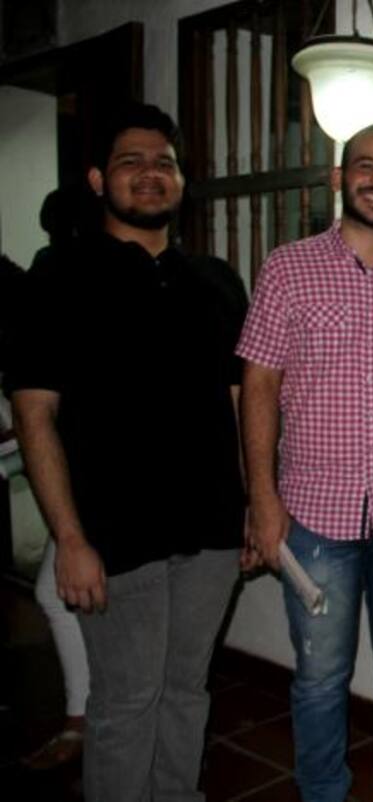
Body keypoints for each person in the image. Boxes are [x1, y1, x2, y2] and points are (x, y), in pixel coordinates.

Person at [6, 102, 248, 802]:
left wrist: (256, 506)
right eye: (130, 161)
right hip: (114, 538)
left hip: (210, 534)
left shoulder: (215, 280)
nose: (150, 174)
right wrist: (70, 540)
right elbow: (34, 416)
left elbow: (241, 405)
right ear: (96, 179)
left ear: (183, 181)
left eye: (164, 162)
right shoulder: (57, 276)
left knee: (186, 691)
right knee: (125, 703)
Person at [238, 123, 373, 802]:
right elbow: (259, 384)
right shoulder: (288, 267)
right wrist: (262, 501)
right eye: (366, 165)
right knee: (321, 676)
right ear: (338, 177)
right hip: (313, 514)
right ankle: (323, 792)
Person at [18, 186, 99, 771]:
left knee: (58, 587)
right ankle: (86, 712)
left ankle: (84, 716)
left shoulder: (54, 272)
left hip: (87, 459)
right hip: (79, 453)